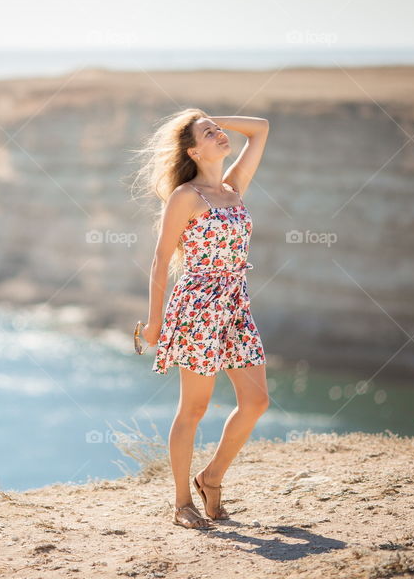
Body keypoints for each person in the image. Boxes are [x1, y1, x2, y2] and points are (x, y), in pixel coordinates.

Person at [131, 108, 271, 529]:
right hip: (197, 306)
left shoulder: (233, 187)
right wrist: (154, 322)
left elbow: (261, 130)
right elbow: (159, 258)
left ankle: (210, 478)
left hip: (235, 304)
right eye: (208, 134)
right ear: (193, 151)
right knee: (194, 407)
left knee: (256, 402)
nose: (219, 135)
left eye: (218, 131)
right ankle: (181, 505)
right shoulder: (186, 196)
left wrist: (212, 119)